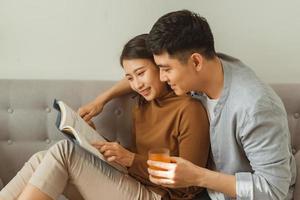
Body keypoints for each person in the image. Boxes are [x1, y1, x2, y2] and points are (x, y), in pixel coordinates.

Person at [79, 10, 296, 200]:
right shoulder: (203, 70)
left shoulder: (254, 107)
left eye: (165, 69)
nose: (162, 78)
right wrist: (102, 100)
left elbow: (273, 190)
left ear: (195, 62)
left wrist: (199, 176)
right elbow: (140, 79)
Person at [0, 34, 210, 200]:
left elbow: (190, 184)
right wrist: (96, 127)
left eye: (141, 73)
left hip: (161, 196)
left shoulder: (189, 109)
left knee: (63, 151)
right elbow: (131, 83)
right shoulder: (143, 103)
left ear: (160, 66)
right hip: (134, 184)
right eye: (130, 77)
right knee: (41, 158)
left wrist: (130, 159)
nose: (137, 84)